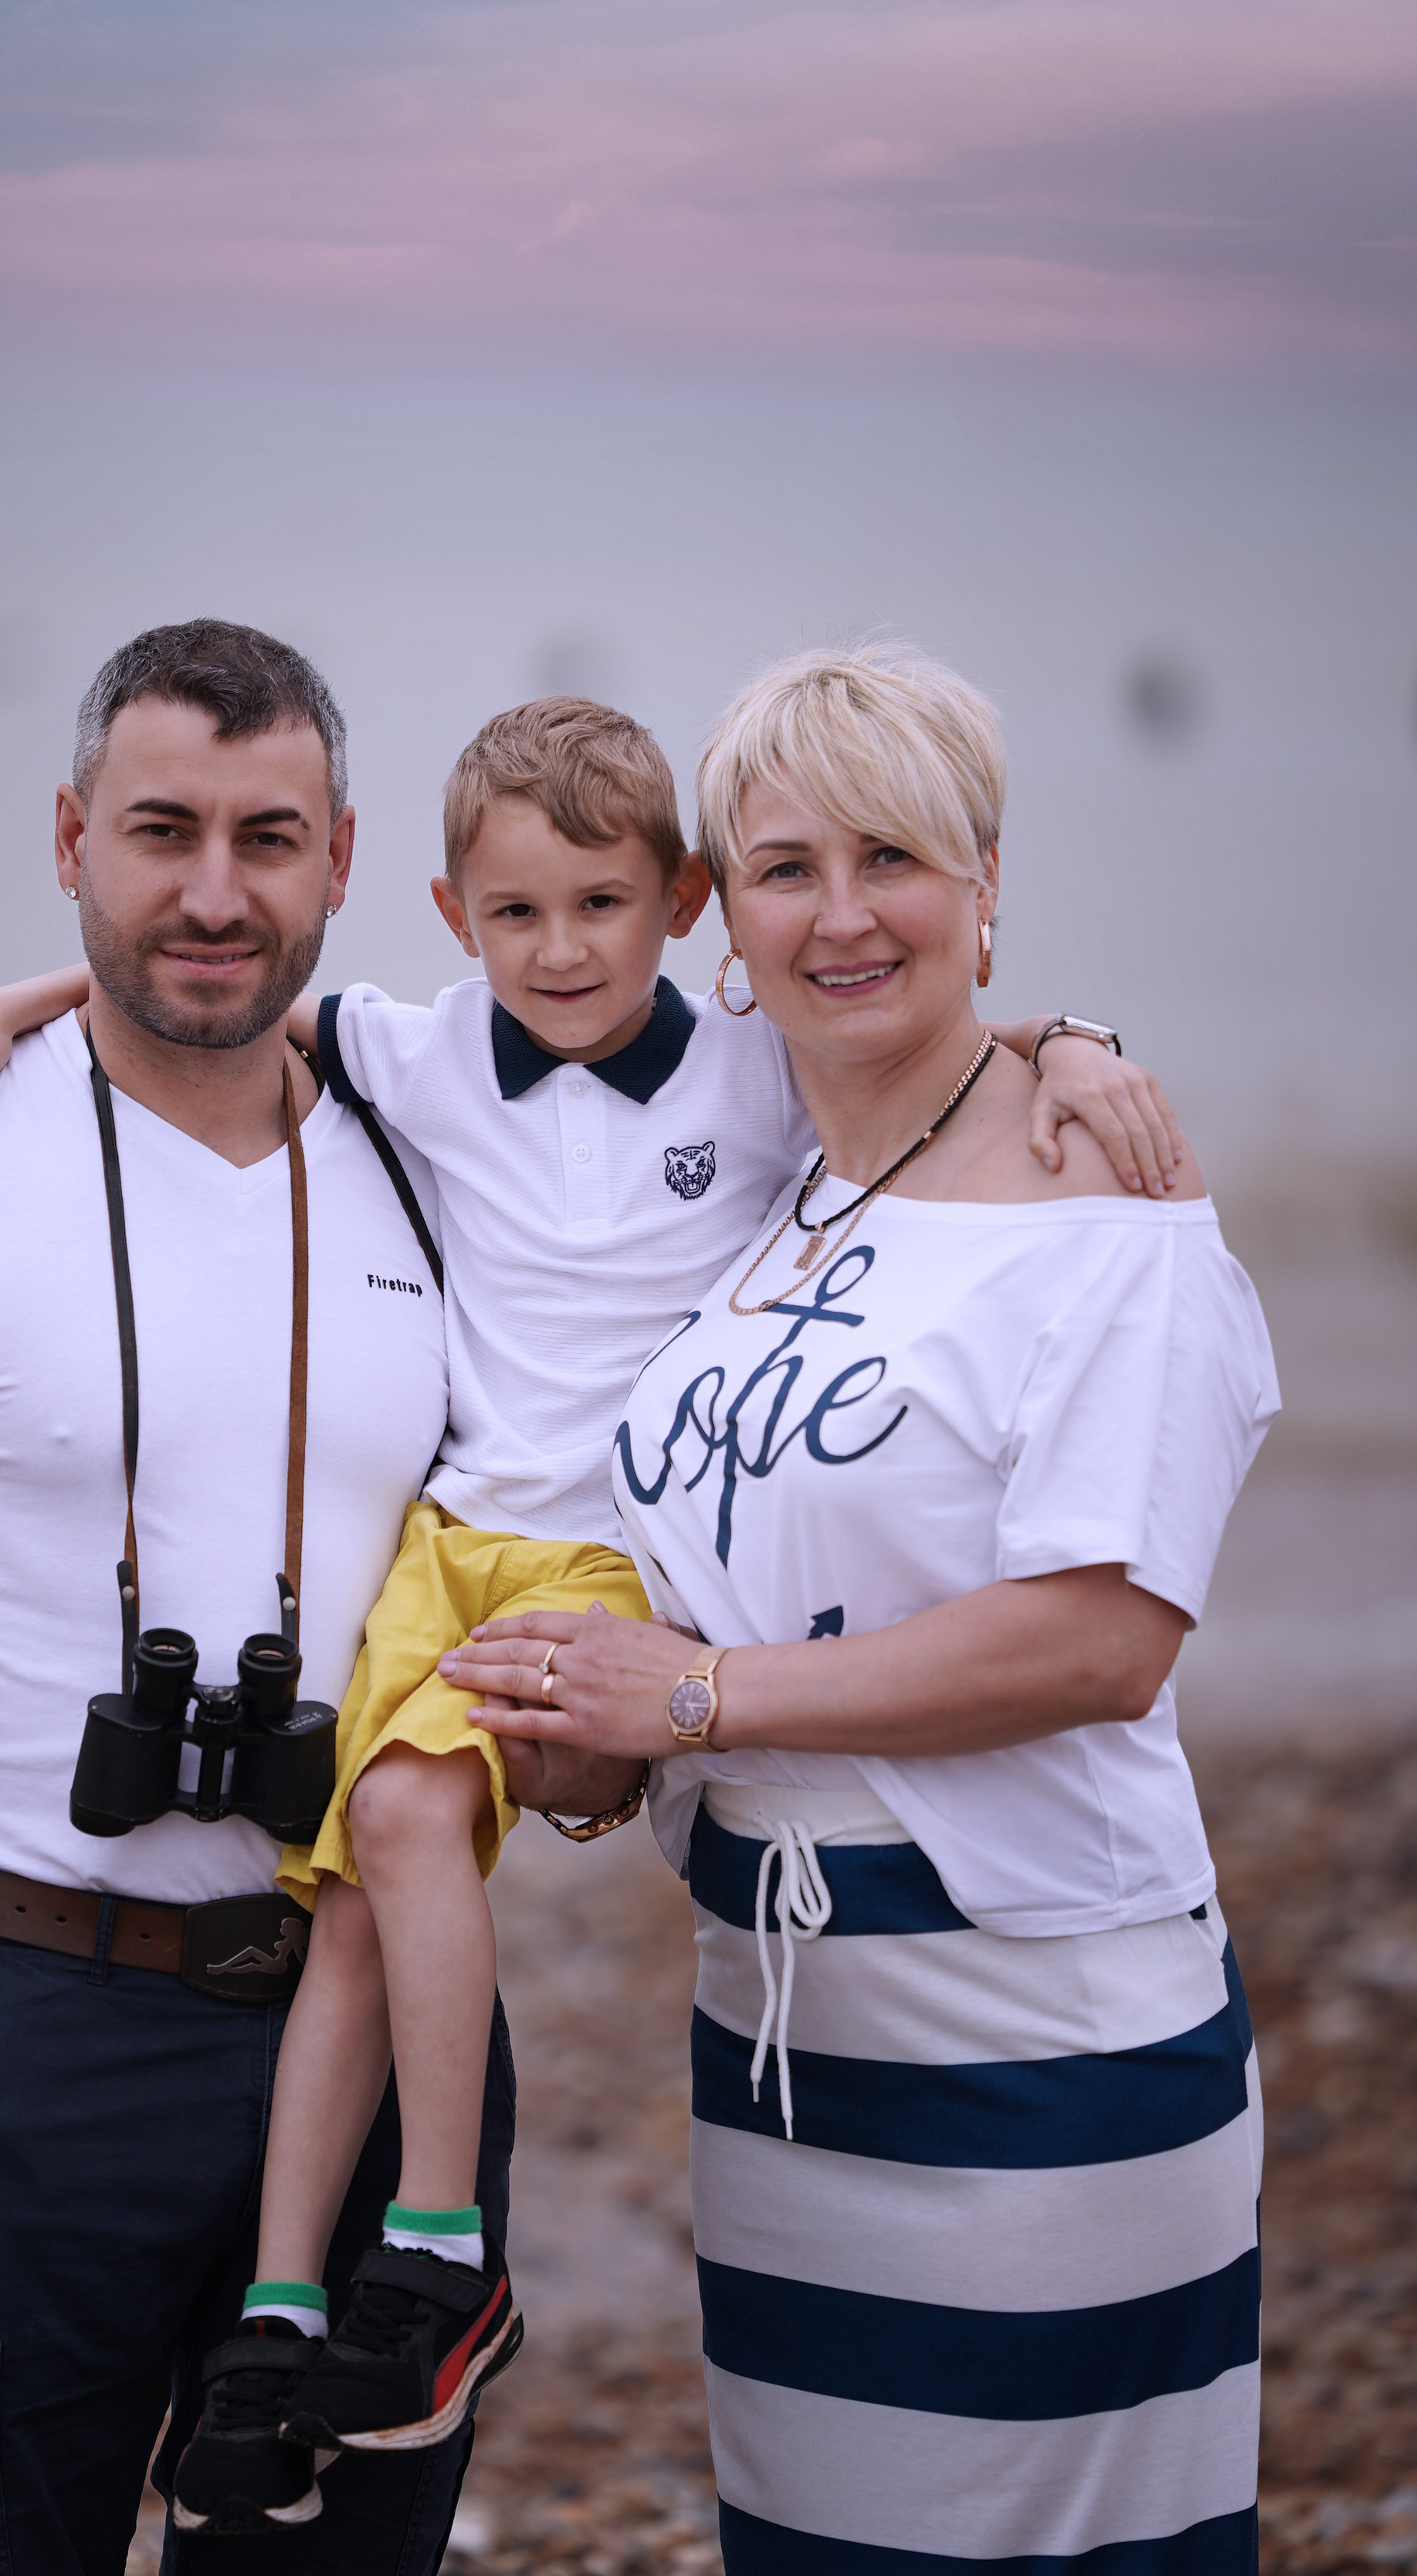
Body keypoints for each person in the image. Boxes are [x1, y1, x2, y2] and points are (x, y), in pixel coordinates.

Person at [0, 692, 1185, 2534]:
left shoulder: (746, 1067)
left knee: (388, 1832)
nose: (562, 950)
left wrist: (1068, 1038)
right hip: (450, 1541)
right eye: (519, 915)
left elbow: (907, 1034)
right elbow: (201, 986)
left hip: (618, 1560)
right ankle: (293, 2293)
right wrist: (7, 1009)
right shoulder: (409, 1049)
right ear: (454, 916)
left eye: (605, 908)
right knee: (354, 1883)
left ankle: (440, 2239)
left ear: (685, 902)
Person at [0, 618, 516, 2576]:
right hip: (28, 2020)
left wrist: (1059, 1058)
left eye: (266, 838)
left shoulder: (438, 1153)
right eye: (160, 831)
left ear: (346, 858)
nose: (213, 891)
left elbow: (733, 1090)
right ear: (69, 838)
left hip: (370, 2017)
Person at [446, 643, 1278, 2576]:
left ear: (984, 884)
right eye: (782, 867)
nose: (838, 917)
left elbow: (1100, 1639)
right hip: (782, 2048)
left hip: (1037, 2043)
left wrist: (708, 1695)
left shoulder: (1106, 1216)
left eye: (891, 858)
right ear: (714, 914)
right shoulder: (782, 1194)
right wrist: (592, 1748)